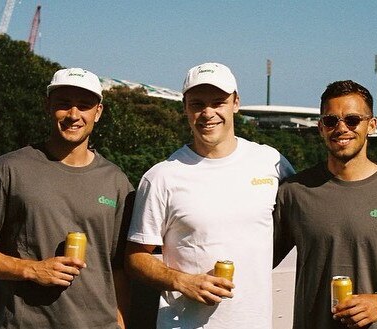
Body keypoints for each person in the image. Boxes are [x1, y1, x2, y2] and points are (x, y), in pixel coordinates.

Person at [0, 67, 134, 329]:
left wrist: (120, 322)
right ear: (47, 106)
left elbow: (118, 267)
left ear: (98, 112)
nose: (74, 115)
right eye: (64, 104)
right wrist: (32, 270)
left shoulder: (116, 180)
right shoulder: (8, 169)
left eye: (84, 106)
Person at [125, 62, 295, 328]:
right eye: (197, 104)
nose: (208, 113)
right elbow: (135, 257)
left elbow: (299, 222)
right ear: (185, 107)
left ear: (236, 103)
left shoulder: (271, 162)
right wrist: (184, 281)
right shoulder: (161, 177)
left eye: (218, 102)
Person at [273, 80, 377, 329]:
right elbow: (257, 257)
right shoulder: (295, 192)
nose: (341, 128)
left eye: (352, 120)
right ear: (321, 128)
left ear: (371, 125)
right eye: (331, 121)